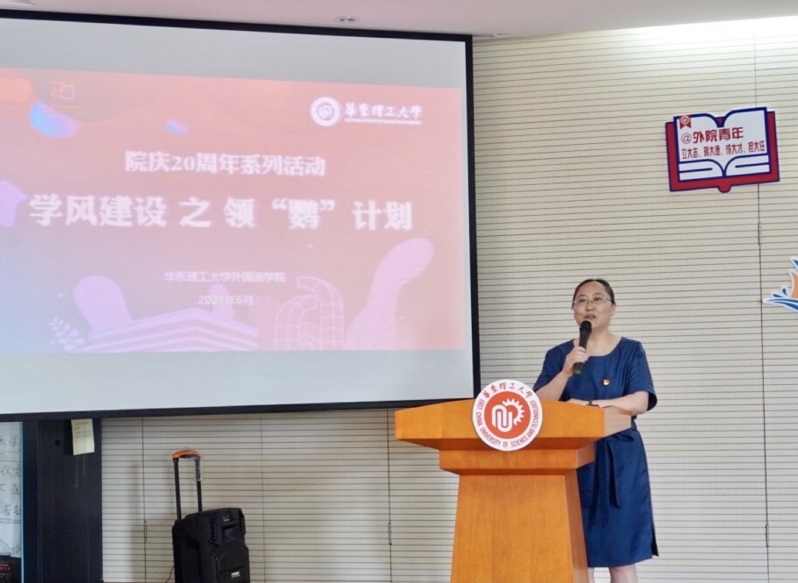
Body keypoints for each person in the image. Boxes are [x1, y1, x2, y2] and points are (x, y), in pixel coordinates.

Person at [533, 278, 658, 583]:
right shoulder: (559, 355)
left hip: (620, 461)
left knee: (621, 556)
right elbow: (539, 404)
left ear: (613, 308)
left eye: (598, 299)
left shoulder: (631, 351)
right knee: (578, 556)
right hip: (573, 461)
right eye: (581, 300)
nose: (589, 305)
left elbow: (639, 401)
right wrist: (565, 372)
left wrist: (587, 405)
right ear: (574, 311)